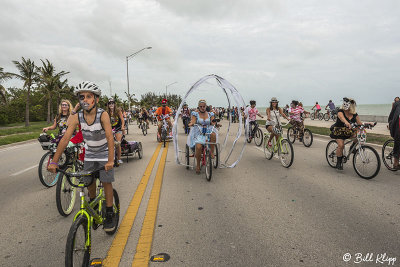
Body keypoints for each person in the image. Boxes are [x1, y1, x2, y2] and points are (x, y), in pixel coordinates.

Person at [48, 81, 117, 231]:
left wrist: (111, 160)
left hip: (105, 152)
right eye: (81, 97)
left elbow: (110, 138)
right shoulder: (76, 117)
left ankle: (110, 212)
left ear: (96, 99)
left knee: (106, 182)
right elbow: (65, 138)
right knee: (89, 183)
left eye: (88, 96)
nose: (84, 99)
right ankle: (93, 205)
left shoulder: (103, 115)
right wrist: (54, 162)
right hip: (90, 153)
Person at [329, 97, 371, 170]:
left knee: (358, 135)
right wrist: (346, 122)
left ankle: (352, 148)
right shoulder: (340, 111)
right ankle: (338, 162)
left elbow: (359, 123)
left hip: (348, 131)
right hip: (339, 131)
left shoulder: (354, 114)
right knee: (341, 145)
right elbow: (342, 118)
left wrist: (368, 124)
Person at [188, 99, 217, 174]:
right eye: (201, 106)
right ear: (198, 107)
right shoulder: (195, 113)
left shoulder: (210, 114)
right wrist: (191, 124)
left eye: (204, 106)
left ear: (206, 106)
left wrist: (215, 123)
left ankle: (211, 152)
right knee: (198, 147)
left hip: (207, 130)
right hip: (199, 131)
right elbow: (193, 121)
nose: (202, 108)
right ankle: (198, 165)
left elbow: (212, 121)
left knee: (213, 134)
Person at [107, 98, 125, 165]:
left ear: (114, 104)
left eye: (112, 103)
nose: (111, 105)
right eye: (110, 103)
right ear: (108, 105)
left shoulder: (118, 111)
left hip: (118, 129)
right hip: (110, 130)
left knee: (117, 143)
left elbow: (122, 120)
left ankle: (119, 159)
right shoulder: (106, 113)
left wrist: (122, 127)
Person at [388, 100, 400, 169]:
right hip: (397, 127)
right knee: (398, 140)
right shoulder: (397, 104)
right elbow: (392, 116)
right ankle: (396, 162)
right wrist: (390, 124)